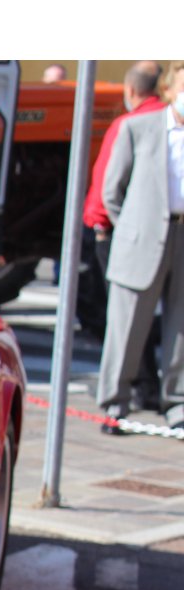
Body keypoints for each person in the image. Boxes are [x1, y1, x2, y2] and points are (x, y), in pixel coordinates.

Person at [96, 61, 184, 433]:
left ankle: (177, 403)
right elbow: (111, 191)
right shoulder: (138, 127)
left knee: (180, 329)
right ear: (168, 90)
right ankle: (114, 404)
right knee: (127, 329)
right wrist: (132, 229)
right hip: (142, 239)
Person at [81, 61, 165, 407]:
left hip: (119, 233)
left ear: (130, 90)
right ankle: (147, 387)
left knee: (124, 319)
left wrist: (113, 224)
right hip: (138, 231)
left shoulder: (131, 124)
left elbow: (108, 186)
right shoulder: (154, 123)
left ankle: (135, 390)